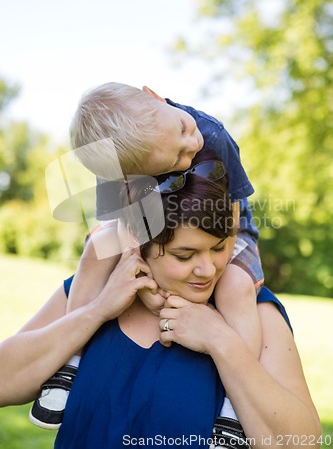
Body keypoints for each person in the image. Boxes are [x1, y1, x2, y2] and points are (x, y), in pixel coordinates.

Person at [0, 154, 321, 448]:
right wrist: (96, 312)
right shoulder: (93, 289)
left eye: (219, 247)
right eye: (185, 255)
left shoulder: (254, 310)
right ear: (139, 244)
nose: (208, 269)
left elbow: (303, 442)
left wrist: (221, 341)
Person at [30, 82, 265, 430]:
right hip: (148, 225)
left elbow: (229, 215)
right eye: (176, 160)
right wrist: (139, 274)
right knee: (96, 248)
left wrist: (213, 256)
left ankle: (234, 411)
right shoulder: (116, 159)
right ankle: (70, 361)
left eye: (183, 130)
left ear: (154, 95)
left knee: (235, 286)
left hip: (225, 227)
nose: (191, 145)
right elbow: (119, 219)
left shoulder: (211, 134)